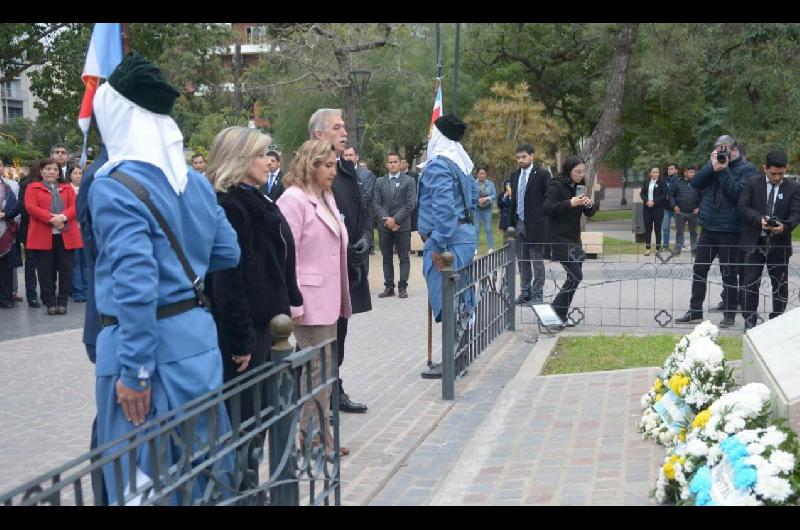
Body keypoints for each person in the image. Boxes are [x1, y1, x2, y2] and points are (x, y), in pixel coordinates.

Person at [88, 52, 241, 504]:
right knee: (207, 476)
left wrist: (135, 371)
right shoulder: (191, 181)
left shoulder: (114, 183)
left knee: (142, 487)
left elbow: (134, 285)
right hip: (196, 341)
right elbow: (228, 251)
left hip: (145, 349)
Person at [204, 126, 303, 468]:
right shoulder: (230, 204)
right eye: (260, 155)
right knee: (244, 424)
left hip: (269, 324)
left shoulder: (256, 197)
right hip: (248, 332)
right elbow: (228, 279)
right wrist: (241, 339)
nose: (268, 162)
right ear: (239, 159)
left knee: (259, 418)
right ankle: (242, 491)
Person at [277, 139, 351, 456]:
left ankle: (321, 434)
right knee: (314, 372)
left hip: (329, 300)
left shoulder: (325, 196)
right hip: (307, 302)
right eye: (328, 166)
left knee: (324, 370)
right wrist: (292, 303)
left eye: (335, 165)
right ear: (311, 164)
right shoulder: (293, 200)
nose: (334, 172)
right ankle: (310, 439)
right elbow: (285, 254)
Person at [308, 108, 370, 414]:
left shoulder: (347, 171)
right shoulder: (305, 179)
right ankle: (319, 398)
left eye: (345, 126)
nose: (345, 132)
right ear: (319, 134)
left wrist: (364, 240)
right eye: (337, 127)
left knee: (340, 335)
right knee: (318, 344)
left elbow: (361, 210)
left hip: (348, 270)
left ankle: (334, 386)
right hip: (320, 278)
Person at [676, 134, 759, 328]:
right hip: (708, 225)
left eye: (724, 149)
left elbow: (739, 195)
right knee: (699, 269)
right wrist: (711, 167)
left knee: (728, 272)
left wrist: (723, 171)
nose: (721, 153)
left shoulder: (747, 169)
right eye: (718, 149)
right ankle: (695, 310)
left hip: (731, 229)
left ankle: (729, 314)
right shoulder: (713, 164)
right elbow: (695, 184)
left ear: (733, 149)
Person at [418, 114, 477, 323]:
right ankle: (463, 351)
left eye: (431, 132)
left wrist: (436, 244)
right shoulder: (461, 163)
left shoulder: (439, 165)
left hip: (448, 243)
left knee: (451, 304)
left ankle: (457, 354)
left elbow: (445, 211)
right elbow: (473, 199)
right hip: (463, 237)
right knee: (461, 297)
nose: (429, 137)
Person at [738, 150, 800, 330]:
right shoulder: (752, 183)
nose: (777, 177)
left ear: (786, 168)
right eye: (773, 173)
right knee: (750, 283)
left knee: (780, 285)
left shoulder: (794, 187)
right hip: (754, 242)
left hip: (779, 244)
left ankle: (777, 322)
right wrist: (759, 220)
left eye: (781, 173)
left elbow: (796, 214)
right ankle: (750, 321)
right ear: (764, 168)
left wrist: (785, 227)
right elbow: (742, 207)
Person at [543, 155, 597, 328]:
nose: (581, 175)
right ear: (568, 170)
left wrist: (588, 205)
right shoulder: (555, 184)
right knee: (576, 275)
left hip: (575, 238)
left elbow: (589, 213)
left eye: (583, 171)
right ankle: (552, 314)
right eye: (577, 171)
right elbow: (547, 209)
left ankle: (561, 316)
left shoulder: (580, 187)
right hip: (558, 238)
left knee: (573, 278)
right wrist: (569, 203)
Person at [24, 157, 82, 315]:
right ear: (41, 171)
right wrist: (52, 218)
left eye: (55, 169)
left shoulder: (67, 188)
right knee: (45, 271)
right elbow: (31, 207)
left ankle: (62, 302)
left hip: (66, 234)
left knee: (66, 270)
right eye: (48, 169)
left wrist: (62, 217)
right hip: (42, 236)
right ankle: (50, 303)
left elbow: (75, 207)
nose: (51, 172)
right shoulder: (32, 188)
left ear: (59, 173)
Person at [509, 143, 551, 304]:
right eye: (518, 157)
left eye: (523, 157)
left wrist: (543, 220)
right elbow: (514, 200)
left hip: (536, 225)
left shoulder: (542, 174)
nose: (520, 160)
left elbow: (548, 198)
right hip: (519, 223)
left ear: (532, 156)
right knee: (522, 261)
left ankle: (537, 295)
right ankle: (525, 293)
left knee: (536, 261)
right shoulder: (514, 175)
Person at [374, 152, 416, 298]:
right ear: (387, 165)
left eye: (395, 162)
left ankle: (403, 287)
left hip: (402, 225)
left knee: (403, 257)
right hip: (384, 226)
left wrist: (395, 220)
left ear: (400, 163)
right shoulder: (379, 181)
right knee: (386, 257)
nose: (392, 164)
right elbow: (376, 203)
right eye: (390, 162)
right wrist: (387, 220)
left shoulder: (409, 181)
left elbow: (410, 204)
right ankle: (389, 286)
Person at [343, 145, 377, 255]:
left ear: (356, 157)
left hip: (362, 220)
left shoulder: (366, 175)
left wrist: (348, 205)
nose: (348, 157)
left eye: (351, 155)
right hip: (344, 220)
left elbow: (366, 196)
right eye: (346, 155)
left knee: (361, 256)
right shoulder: (338, 173)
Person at [17, 160, 41, 307]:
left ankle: (46, 293)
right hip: (30, 230)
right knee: (31, 264)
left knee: (46, 265)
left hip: (46, 229)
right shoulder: (25, 183)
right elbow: (22, 207)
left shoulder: (48, 183)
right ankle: (32, 295)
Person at [0, 159, 22, 303]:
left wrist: (6, 215)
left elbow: (18, 207)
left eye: (0, 164)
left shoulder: (12, 185)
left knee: (6, 268)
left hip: (7, 229)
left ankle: (7, 297)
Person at [67, 165, 88, 303]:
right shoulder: (66, 189)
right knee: (75, 262)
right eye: (75, 173)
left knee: (86, 262)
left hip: (86, 230)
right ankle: (77, 291)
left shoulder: (88, 189)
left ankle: (87, 289)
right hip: (71, 229)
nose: (78, 176)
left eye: (80, 173)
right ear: (70, 175)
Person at [670, 164, 701, 255]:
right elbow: (671, 195)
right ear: (685, 173)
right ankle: (678, 249)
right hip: (680, 212)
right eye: (691, 172)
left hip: (693, 212)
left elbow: (703, 196)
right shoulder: (677, 182)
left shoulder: (698, 183)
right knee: (679, 231)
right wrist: (674, 206)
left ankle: (694, 249)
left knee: (693, 232)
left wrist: (699, 208)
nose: (693, 174)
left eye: (694, 172)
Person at [639, 166, 668, 256]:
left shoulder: (662, 182)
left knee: (657, 228)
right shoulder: (646, 182)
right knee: (648, 229)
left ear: (659, 174)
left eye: (657, 172)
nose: (655, 174)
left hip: (658, 208)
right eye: (653, 172)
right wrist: (647, 201)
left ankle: (657, 249)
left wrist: (654, 202)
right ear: (650, 173)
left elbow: (664, 195)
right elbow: (642, 193)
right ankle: (647, 249)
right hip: (647, 208)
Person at [473, 166, 497, 254]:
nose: (482, 175)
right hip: (477, 209)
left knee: (488, 228)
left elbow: (494, 195)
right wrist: (477, 200)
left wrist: (487, 198)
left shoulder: (490, 184)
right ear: (477, 174)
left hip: (487, 209)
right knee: (476, 229)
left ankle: (491, 247)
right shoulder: (473, 184)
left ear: (486, 174)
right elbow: (471, 195)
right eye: (480, 174)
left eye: (483, 173)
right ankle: (475, 248)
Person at [661, 163, 681, 250]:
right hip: (666, 208)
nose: (669, 170)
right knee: (665, 227)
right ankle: (665, 246)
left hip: (677, 208)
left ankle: (679, 246)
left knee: (679, 228)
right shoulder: (665, 180)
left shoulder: (680, 180)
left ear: (676, 170)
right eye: (669, 169)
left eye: (672, 169)